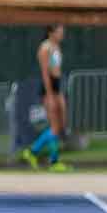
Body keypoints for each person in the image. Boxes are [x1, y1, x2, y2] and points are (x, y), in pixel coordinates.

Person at [21, 23, 71, 171]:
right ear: (51, 32)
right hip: (48, 88)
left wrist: (59, 93)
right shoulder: (45, 48)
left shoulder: (56, 47)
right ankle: (50, 160)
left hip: (57, 87)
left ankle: (34, 152)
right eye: (59, 32)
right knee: (54, 127)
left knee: (60, 125)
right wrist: (49, 95)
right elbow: (45, 73)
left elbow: (57, 70)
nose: (62, 34)